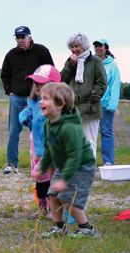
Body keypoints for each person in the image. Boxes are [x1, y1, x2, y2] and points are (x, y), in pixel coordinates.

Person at [34, 82, 96, 238]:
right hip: (65, 166)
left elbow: (75, 156)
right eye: (41, 98)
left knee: (69, 198)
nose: (40, 101)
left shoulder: (69, 128)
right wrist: (42, 168)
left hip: (81, 165)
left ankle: (86, 228)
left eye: (46, 98)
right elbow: (49, 150)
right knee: (53, 194)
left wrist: (65, 179)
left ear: (60, 104)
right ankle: (59, 227)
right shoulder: (48, 125)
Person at [1, 26, 54, 174]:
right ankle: (12, 164)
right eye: (17, 38)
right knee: (13, 131)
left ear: (30, 37)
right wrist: (9, 91)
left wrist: (46, 92)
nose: (20, 40)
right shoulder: (10, 55)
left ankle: (43, 161)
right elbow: (5, 75)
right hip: (17, 98)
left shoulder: (42, 51)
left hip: (37, 98)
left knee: (38, 129)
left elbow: (50, 70)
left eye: (23, 37)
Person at [19, 64, 61, 219]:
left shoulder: (56, 106)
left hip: (52, 149)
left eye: (40, 83)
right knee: (40, 179)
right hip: (37, 147)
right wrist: (23, 116)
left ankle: (54, 209)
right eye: (35, 82)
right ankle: (42, 208)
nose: (36, 86)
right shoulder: (33, 101)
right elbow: (28, 111)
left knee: (52, 179)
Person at [60, 33, 107, 159]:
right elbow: (61, 80)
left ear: (84, 46)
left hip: (91, 108)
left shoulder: (95, 61)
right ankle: (76, 171)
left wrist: (92, 98)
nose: (74, 49)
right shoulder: (69, 62)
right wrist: (70, 65)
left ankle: (89, 171)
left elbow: (102, 83)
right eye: (72, 46)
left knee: (89, 141)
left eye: (77, 46)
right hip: (73, 109)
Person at [93, 38, 121, 166]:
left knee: (106, 132)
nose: (98, 48)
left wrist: (112, 105)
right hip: (92, 103)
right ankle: (88, 161)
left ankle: (108, 161)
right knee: (90, 133)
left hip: (106, 105)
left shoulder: (113, 65)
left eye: (100, 46)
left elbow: (115, 86)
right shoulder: (91, 62)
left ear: (106, 48)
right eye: (96, 46)